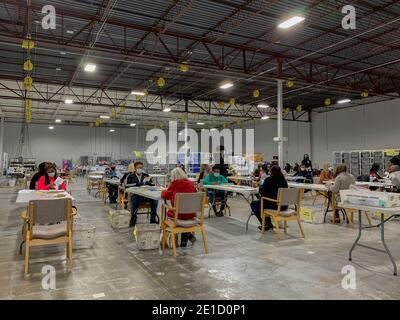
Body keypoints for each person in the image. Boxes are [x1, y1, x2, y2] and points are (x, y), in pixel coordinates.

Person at [161, 167, 197, 247]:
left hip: (178, 215)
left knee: (171, 215)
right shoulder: (191, 184)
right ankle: (185, 238)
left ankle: (186, 235)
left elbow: (166, 195)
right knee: (182, 216)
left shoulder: (174, 184)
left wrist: (163, 191)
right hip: (191, 214)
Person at [250, 166, 288, 231]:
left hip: (273, 205)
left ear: (271, 172)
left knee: (254, 204)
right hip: (284, 206)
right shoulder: (284, 181)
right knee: (260, 204)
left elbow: (262, 192)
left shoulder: (269, 180)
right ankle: (268, 224)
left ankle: (266, 224)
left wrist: (260, 186)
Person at [125, 162, 158, 227]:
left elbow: (152, 184)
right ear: (135, 168)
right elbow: (126, 185)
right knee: (133, 197)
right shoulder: (130, 176)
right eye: (138, 168)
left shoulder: (146, 175)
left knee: (155, 199)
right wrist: (137, 184)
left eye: (141, 168)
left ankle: (153, 219)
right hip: (137, 195)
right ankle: (133, 218)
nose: (140, 169)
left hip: (146, 195)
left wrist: (150, 184)